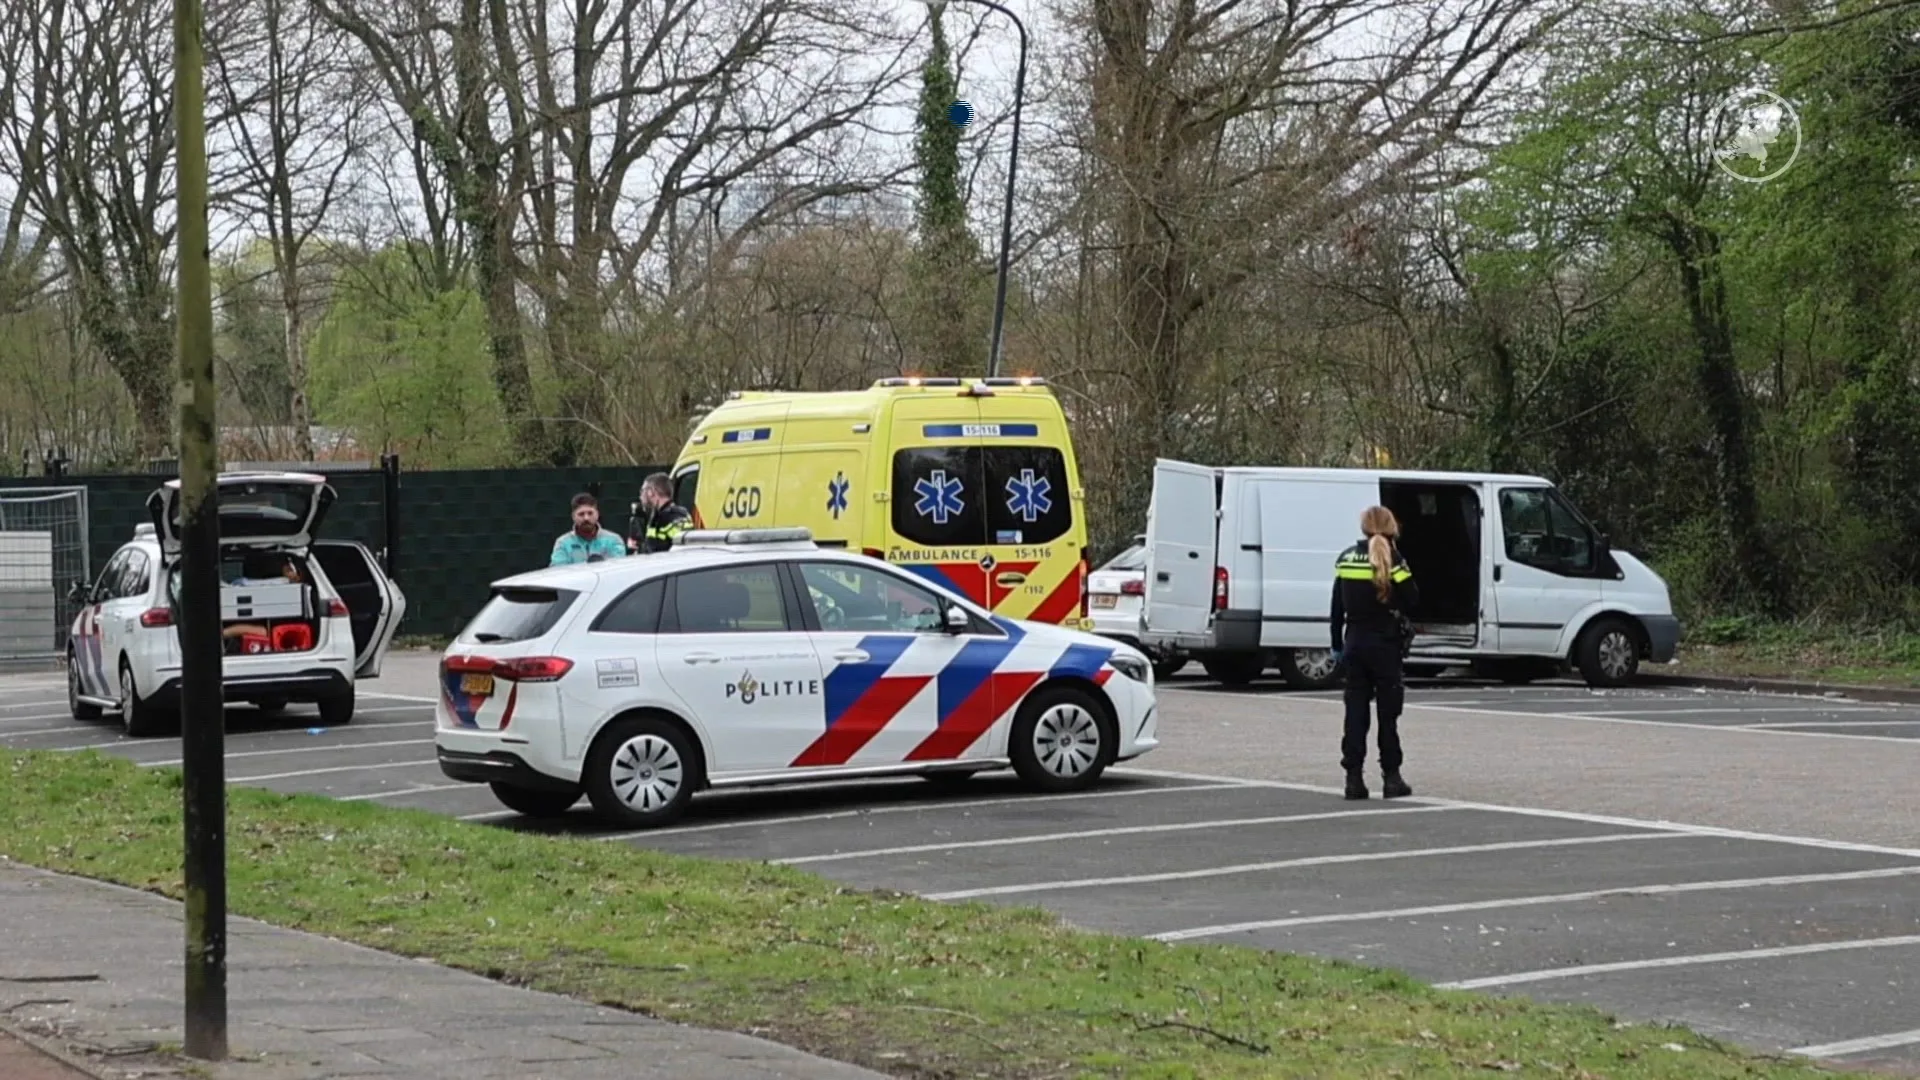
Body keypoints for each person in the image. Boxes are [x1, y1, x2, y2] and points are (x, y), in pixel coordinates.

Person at [1329, 505, 1420, 801]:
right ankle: (1391, 778)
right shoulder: (1395, 560)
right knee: (1387, 715)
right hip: (1385, 646)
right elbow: (1413, 599)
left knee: (1355, 714)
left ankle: (1353, 780)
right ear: (1391, 528)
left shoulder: (1345, 558)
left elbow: (1336, 610)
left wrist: (1337, 647)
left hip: (1354, 645)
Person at [551, 493, 628, 566]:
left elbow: (617, 570)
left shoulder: (614, 540)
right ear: (573, 517)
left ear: (597, 514)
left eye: (590, 513)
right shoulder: (563, 543)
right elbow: (559, 571)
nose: (586, 518)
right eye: (581, 514)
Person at [627, 472, 692, 554]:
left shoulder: (668, 517)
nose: (640, 496)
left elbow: (657, 552)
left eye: (642, 491)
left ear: (651, 492)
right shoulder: (663, 516)